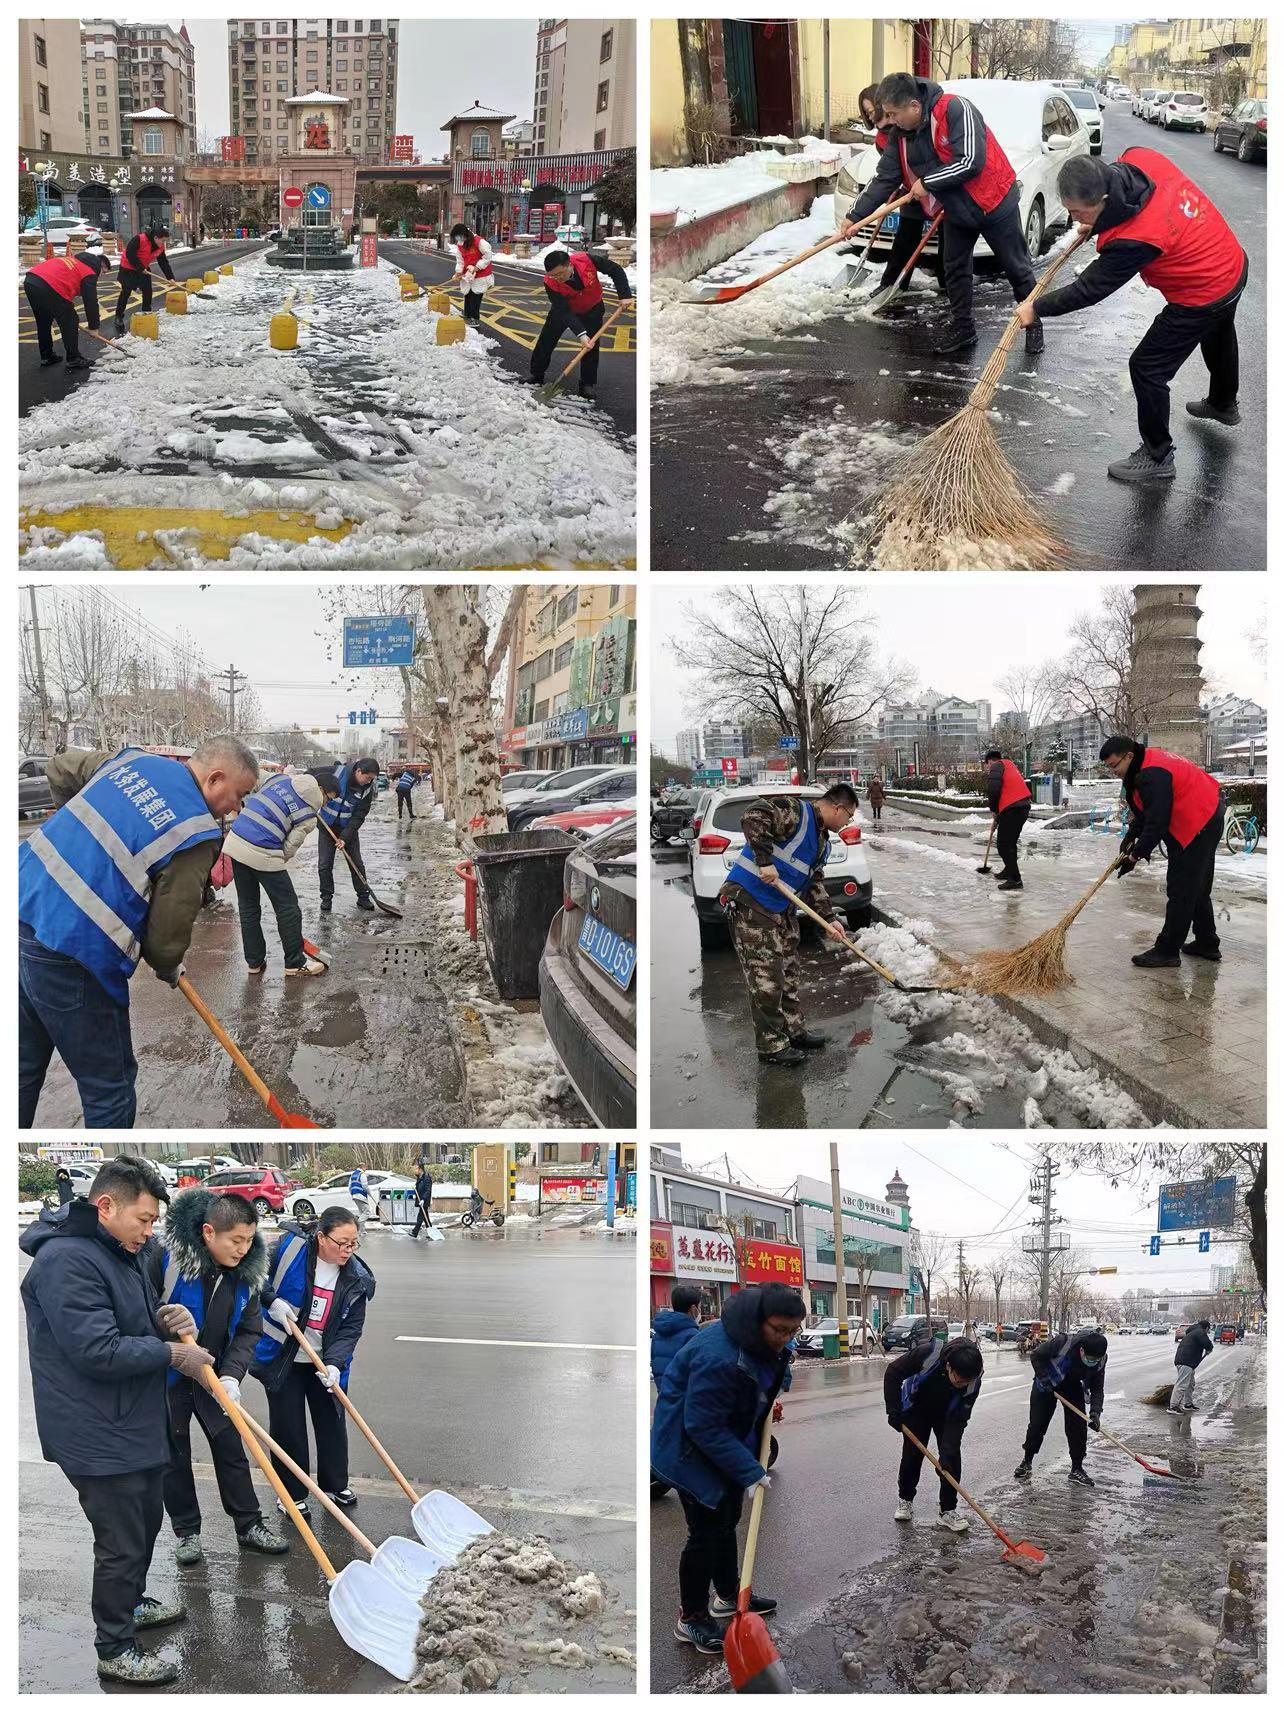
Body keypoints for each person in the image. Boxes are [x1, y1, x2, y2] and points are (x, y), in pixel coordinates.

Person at [20, 1154, 215, 1685]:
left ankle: (130, 1602)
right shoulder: (66, 1261)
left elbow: (124, 1317)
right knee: (121, 1541)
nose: (150, 1232)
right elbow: (96, 1350)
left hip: (130, 1420)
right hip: (95, 1431)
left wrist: (164, 1319)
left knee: (145, 1522)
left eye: (153, 1222)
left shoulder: (117, 1250)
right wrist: (173, 1356)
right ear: (106, 1206)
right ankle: (115, 1644)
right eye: (144, 1220)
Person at [18, 737, 261, 1129]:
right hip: (74, 948)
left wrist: (78, 841)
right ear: (215, 779)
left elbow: (60, 767)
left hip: (20, 903)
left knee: (20, 1067)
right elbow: (166, 941)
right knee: (108, 1087)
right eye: (239, 795)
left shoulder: (130, 761)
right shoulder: (195, 834)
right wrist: (168, 967)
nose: (238, 807)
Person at [1016, 151, 1247, 484]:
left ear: (1105, 199)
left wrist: (1035, 308)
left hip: (1204, 289)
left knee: (1147, 367)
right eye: (1070, 210)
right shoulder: (1139, 159)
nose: (1073, 218)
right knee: (1218, 329)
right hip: (1231, 262)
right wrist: (1097, 221)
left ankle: (1158, 456)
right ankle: (1223, 403)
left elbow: (1089, 289)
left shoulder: (1136, 239)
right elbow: (1121, 214)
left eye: (1079, 211)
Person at [650, 1284, 805, 1656]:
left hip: (724, 1441)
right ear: (759, 1321)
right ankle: (691, 1617)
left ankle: (727, 1596)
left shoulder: (759, 1341)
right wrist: (749, 1470)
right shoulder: (719, 1355)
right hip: (689, 1450)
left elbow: (765, 1375)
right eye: (779, 1330)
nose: (785, 1339)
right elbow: (703, 1425)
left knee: (726, 1522)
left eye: (792, 1332)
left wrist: (771, 1392)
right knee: (704, 1535)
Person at [841, 71, 1040, 357]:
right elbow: (884, 178)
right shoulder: (900, 135)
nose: (891, 122)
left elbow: (971, 160)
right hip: (957, 207)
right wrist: (855, 217)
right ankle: (963, 328)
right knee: (955, 268)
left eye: (894, 114)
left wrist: (927, 182)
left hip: (994, 200)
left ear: (914, 105)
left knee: (1016, 268)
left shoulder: (955, 108)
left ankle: (1034, 324)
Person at [144, 1187, 287, 1565]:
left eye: (248, 1239)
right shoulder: (167, 1260)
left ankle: (249, 1524)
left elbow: (248, 1331)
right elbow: (138, 1307)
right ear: (209, 1233)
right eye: (235, 1240)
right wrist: (162, 1327)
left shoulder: (246, 1274)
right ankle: (187, 1532)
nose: (243, 1248)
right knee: (174, 1455)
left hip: (212, 1376)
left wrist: (231, 1377)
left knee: (231, 1449)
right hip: (169, 1375)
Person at [719, 783, 858, 1066]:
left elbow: (814, 883)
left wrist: (829, 919)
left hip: (781, 910)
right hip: (751, 904)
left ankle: (793, 1031)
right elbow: (753, 816)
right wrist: (764, 860)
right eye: (849, 816)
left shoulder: (821, 842)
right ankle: (772, 1047)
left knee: (789, 972)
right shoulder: (795, 812)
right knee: (766, 980)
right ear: (837, 807)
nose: (847, 823)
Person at [251, 1207, 376, 1513]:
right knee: (288, 1427)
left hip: (324, 1362)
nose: (348, 1250)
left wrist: (334, 1363)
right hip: (284, 1357)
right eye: (341, 1243)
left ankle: (335, 1484)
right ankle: (291, 1492)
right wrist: (271, 1301)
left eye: (353, 1244)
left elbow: (350, 1328)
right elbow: (252, 1276)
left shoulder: (356, 1278)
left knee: (332, 1422)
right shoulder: (288, 1249)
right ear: (321, 1236)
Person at [1099, 735, 1225, 968]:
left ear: (1129, 756)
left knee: (1181, 887)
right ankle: (1207, 942)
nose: (1112, 771)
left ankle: (1167, 950)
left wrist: (1136, 854)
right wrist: (1131, 835)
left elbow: (1157, 821)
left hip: (1199, 819)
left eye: (1114, 765)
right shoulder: (1143, 763)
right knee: (1196, 885)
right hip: (1208, 810)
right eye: (1108, 767)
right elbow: (1147, 808)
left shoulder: (1151, 774)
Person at [222, 765, 340, 976]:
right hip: (263, 849)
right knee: (288, 907)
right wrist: (274, 861)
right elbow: (289, 847)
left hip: (236, 840)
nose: (326, 804)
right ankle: (295, 962)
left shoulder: (278, 780)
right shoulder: (309, 815)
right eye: (328, 799)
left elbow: (253, 776)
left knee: (248, 906)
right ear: (320, 789)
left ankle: (254, 962)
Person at [885, 1334, 984, 1531]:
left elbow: (961, 1418)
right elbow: (893, 1372)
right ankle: (905, 1500)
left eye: (967, 1381)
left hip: (949, 1414)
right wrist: (893, 1410)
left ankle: (947, 1510)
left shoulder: (973, 1378)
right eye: (959, 1379)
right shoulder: (928, 1354)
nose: (963, 1384)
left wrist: (947, 1453)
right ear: (949, 1366)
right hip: (917, 1408)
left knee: (952, 1457)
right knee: (912, 1455)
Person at [854, 85, 935, 298]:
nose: (870, 118)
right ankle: (892, 284)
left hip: (934, 185)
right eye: (867, 114)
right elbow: (891, 170)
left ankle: (946, 281)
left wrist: (928, 183)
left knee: (947, 237)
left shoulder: (911, 126)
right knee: (905, 236)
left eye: (871, 111)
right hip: (911, 190)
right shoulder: (882, 137)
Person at [530, 247, 634, 401]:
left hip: (592, 308)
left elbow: (615, 269)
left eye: (560, 274)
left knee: (591, 346)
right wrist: (581, 333)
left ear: (569, 265)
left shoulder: (586, 260)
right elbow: (563, 310)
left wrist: (624, 295)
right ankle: (536, 375)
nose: (557, 278)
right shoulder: (549, 282)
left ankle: (587, 384)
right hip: (565, 310)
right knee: (546, 340)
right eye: (553, 275)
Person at [1014, 1329, 1108, 1486]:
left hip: (1072, 1386)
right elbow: (1036, 1355)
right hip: (1047, 1381)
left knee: (1078, 1426)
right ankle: (1026, 1461)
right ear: (1082, 1350)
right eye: (1089, 1358)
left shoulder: (1100, 1360)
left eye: (1095, 1360)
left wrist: (1095, 1412)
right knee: (1037, 1425)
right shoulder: (1063, 1343)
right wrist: (1044, 1379)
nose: (1092, 1362)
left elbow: (1098, 1388)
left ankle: (1077, 1468)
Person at [651, 1285, 705, 1499]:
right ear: (693, 1309)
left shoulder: (659, 1333)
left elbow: (657, 1364)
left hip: (665, 1394)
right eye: (700, 1307)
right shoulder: (692, 1335)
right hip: (687, 1399)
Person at [23, 247, 109, 369]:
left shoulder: (75, 261)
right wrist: (94, 327)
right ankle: (74, 358)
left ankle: (47, 356)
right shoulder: (88, 272)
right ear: (101, 266)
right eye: (104, 272)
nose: (102, 276)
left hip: (32, 280)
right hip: (50, 284)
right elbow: (91, 302)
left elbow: (70, 282)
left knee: (43, 321)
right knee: (70, 320)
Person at [317, 756, 379, 914]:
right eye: (368, 777)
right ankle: (326, 898)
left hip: (348, 829)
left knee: (356, 863)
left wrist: (345, 837)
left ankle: (363, 897)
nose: (369, 781)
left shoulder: (366, 791)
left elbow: (359, 815)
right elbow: (310, 774)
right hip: (327, 826)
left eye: (372, 779)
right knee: (324, 864)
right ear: (359, 771)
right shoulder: (336, 772)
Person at [985, 749, 1033, 891]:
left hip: (1013, 808)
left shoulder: (997, 765)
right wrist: (998, 817)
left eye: (987, 765)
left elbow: (994, 789)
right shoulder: (1009, 765)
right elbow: (1006, 790)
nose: (988, 768)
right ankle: (1009, 871)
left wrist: (993, 809)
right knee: (1010, 843)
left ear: (990, 761)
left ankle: (1015, 879)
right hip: (1022, 806)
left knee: (1003, 845)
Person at [115, 227, 176, 336]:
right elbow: (130, 254)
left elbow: (163, 262)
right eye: (163, 240)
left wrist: (170, 277)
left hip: (143, 268)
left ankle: (146, 313)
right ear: (156, 237)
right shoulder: (139, 239)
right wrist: (139, 267)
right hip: (128, 267)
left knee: (148, 291)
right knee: (126, 292)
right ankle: (119, 316)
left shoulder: (160, 247)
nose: (164, 243)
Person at [446, 222, 494, 325]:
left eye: (459, 236)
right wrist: (458, 272)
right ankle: (467, 315)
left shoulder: (479, 242)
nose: (458, 239)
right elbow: (460, 260)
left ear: (464, 234)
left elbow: (488, 255)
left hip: (481, 273)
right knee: (467, 294)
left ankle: (475, 318)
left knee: (476, 295)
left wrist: (477, 267)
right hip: (468, 273)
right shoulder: (460, 245)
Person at [1170, 1318, 1213, 1414]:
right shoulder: (1199, 1331)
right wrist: (1209, 1348)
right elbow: (1206, 1342)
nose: (1208, 1332)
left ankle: (1188, 1404)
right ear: (1206, 1328)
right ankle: (1173, 1407)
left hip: (1187, 1361)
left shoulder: (1192, 1332)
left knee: (1190, 1383)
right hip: (1186, 1361)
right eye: (1208, 1330)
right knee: (1182, 1384)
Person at [410, 1159, 434, 1239]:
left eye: (416, 1169)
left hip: (424, 1201)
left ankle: (415, 1232)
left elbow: (428, 1190)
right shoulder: (419, 1177)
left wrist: (423, 1199)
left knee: (420, 1216)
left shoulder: (426, 1177)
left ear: (420, 1169)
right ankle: (431, 1231)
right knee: (425, 1216)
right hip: (420, 1200)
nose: (415, 1170)